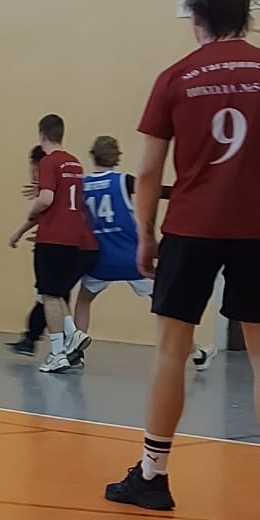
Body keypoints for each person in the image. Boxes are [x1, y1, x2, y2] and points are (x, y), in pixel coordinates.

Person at [103, 0, 260, 518]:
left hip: (191, 228)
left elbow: (150, 170)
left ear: (195, 16)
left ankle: (153, 474)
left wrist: (145, 233)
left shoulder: (175, 77)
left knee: (172, 350)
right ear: (247, 14)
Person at [74, 135, 215, 371]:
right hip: (134, 260)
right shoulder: (124, 181)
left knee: (83, 300)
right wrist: (190, 190)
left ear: (92, 155)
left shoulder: (82, 185)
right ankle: (197, 354)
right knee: (168, 310)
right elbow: (159, 191)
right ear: (117, 157)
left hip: (101, 260)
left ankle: (76, 353)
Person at [9, 115, 97, 373]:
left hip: (52, 237)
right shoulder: (75, 163)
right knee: (56, 293)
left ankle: (59, 352)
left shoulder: (49, 161)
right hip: (73, 238)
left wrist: (31, 210)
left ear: (42, 135)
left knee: (49, 295)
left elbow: (47, 198)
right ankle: (72, 336)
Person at [7, 146, 49, 355]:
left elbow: (39, 211)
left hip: (56, 245)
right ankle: (32, 337)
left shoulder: (49, 186)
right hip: (59, 243)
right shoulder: (58, 183)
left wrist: (19, 232)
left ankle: (33, 338)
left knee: (49, 295)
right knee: (49, 295)